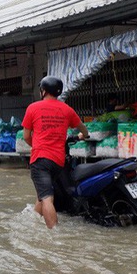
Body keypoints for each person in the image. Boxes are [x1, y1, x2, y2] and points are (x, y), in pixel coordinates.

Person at [22, 77, 89, 229]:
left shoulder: (33, 108)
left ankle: (54, 235)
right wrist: (85, 136)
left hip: (41, 160)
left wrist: (38, 147)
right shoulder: (67, 109)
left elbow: (26, 136)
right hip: (59, 161)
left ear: (43, 91)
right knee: (43, 193)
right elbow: (83, 129)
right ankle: (34, 222)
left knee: (47, 198)